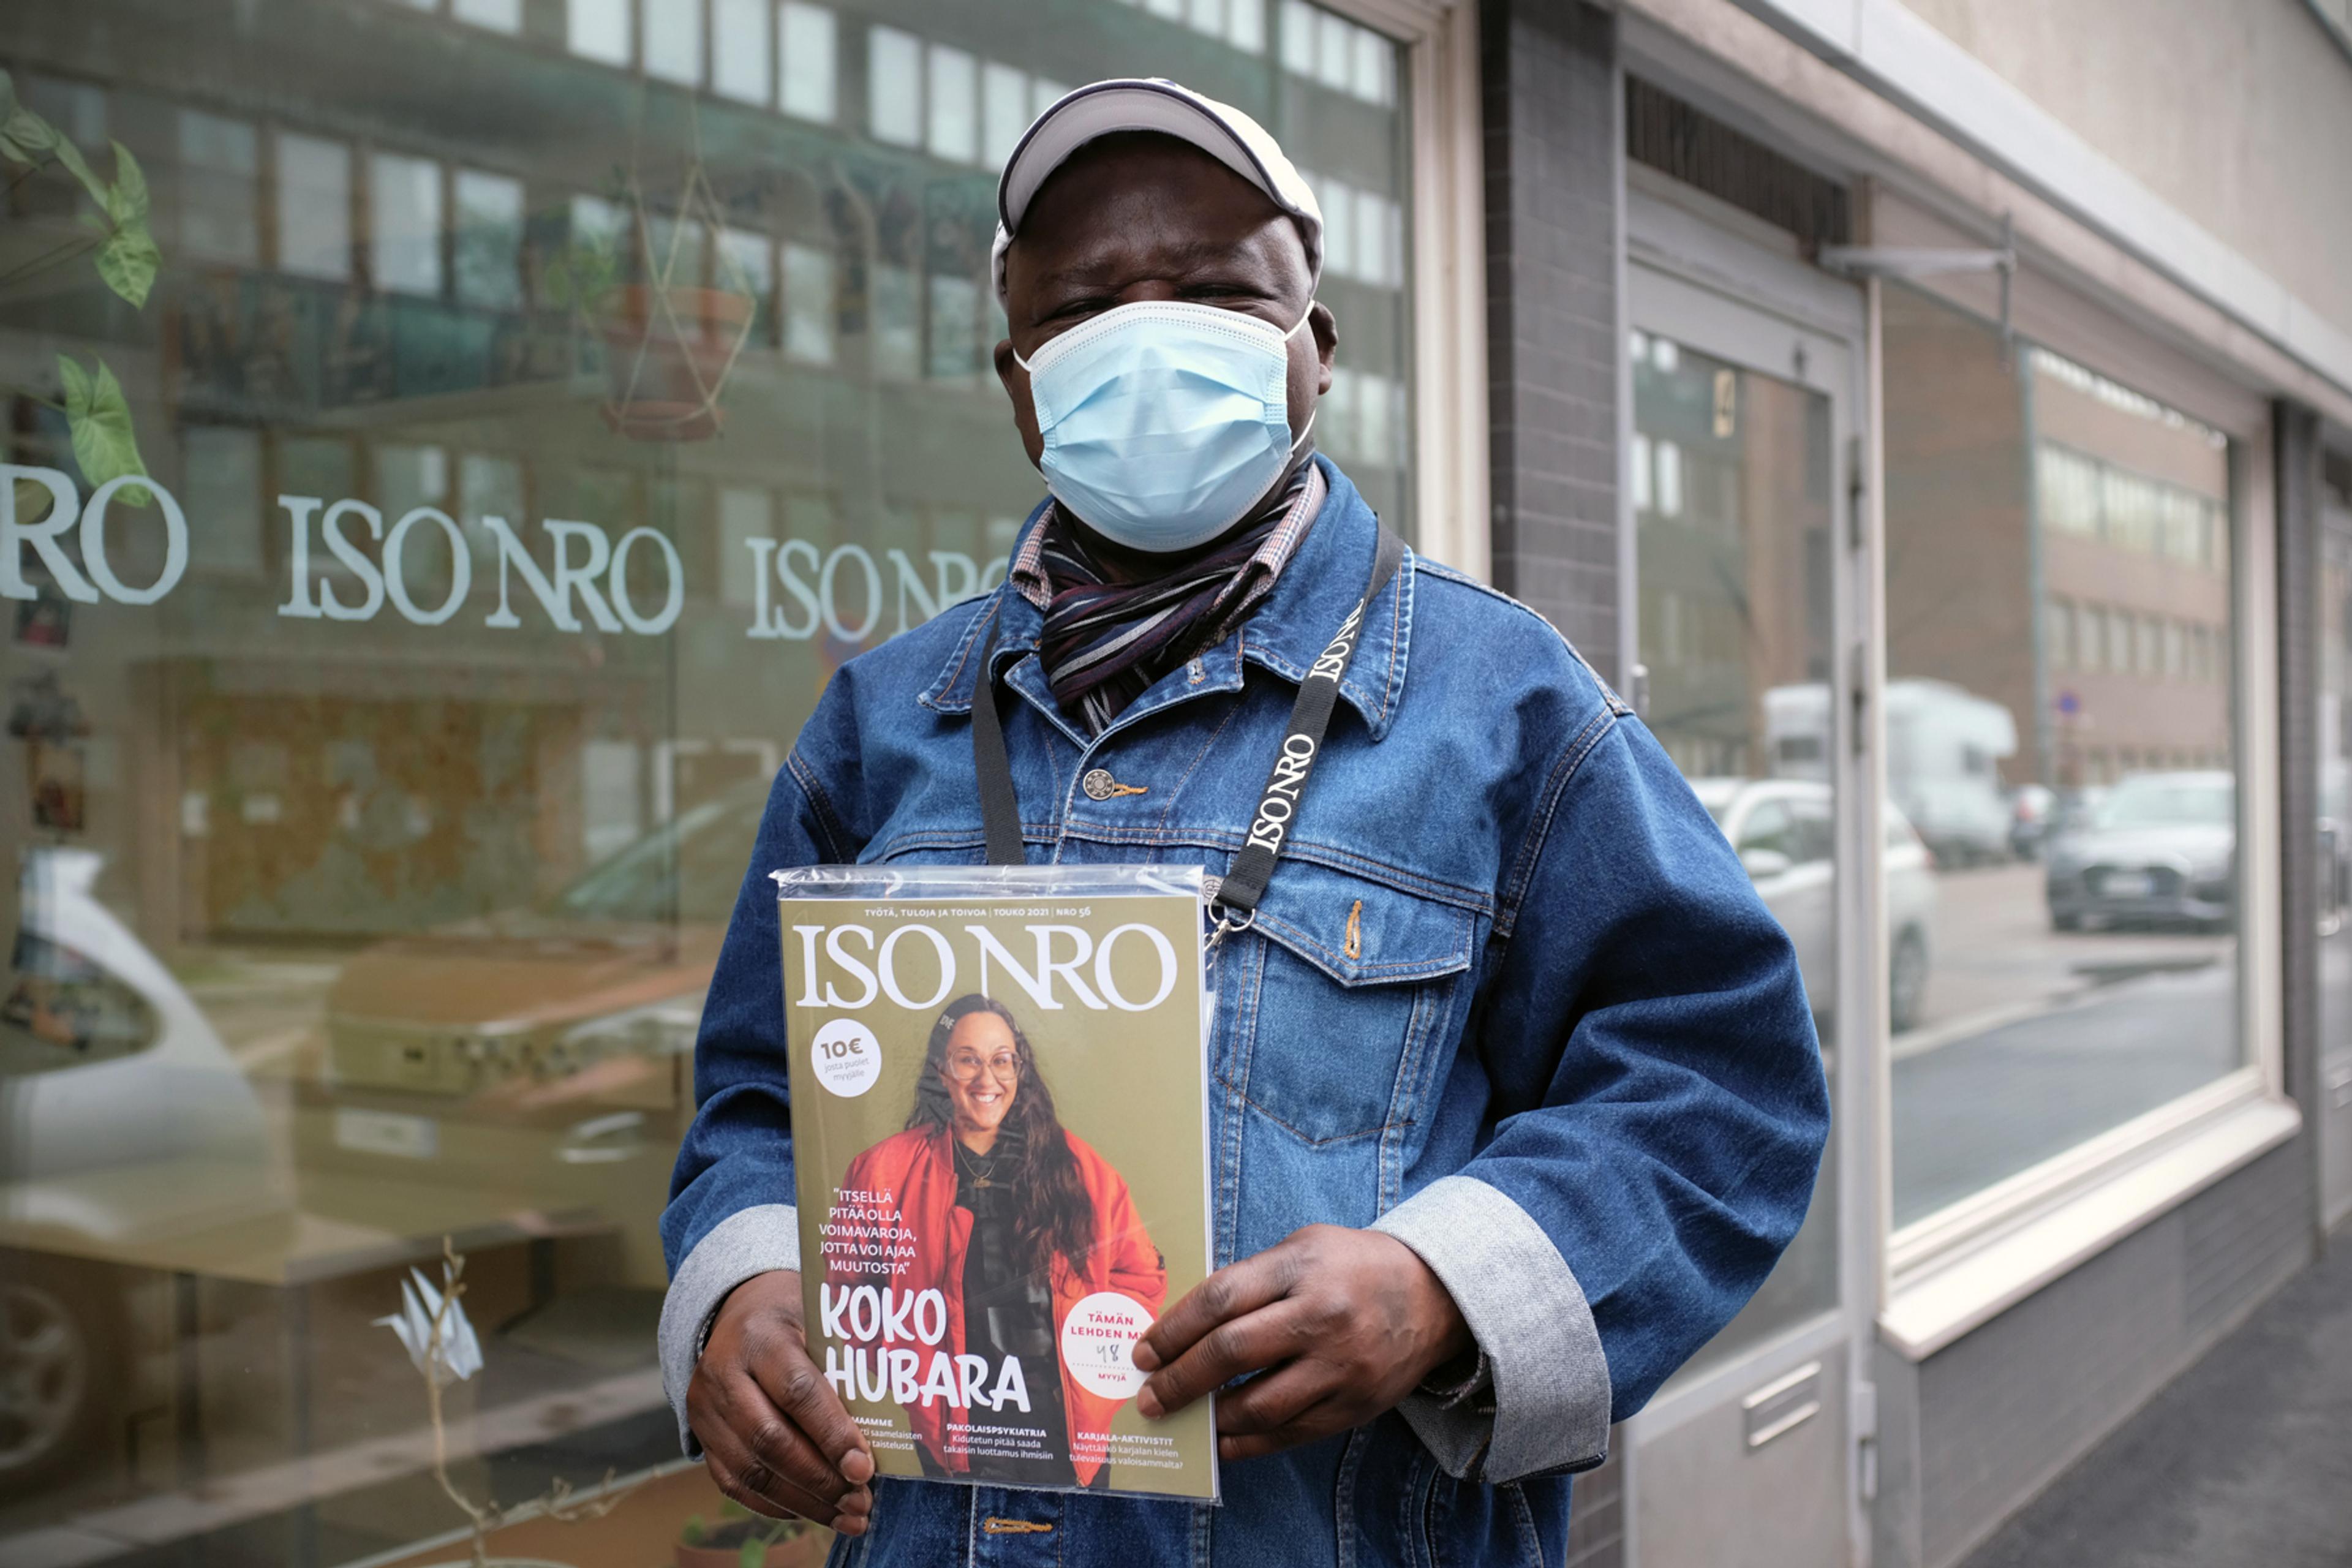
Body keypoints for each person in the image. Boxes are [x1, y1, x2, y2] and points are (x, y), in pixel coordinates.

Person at [660, 78, 1830, 1564]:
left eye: (1213, 288)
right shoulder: (880, 725)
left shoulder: (1506, 706)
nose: (1147, 334)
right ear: (1019, 381)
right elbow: (759, 1102)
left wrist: (1439, 1286)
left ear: (1313, 353)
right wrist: (744, 1284)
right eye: (1087, 306)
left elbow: (1719, 1087)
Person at [825, 995, 1164, 1489]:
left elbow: (1140, 1281)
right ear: (942, 1071)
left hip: (1066, 1438)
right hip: (955, 1439)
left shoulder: (1080, 1170)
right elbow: (849, 1296)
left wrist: (1097, 1376)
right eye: (969, 1060)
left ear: (1019, 1069)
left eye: (1002, 1060)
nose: (988, 1079)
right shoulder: (884, 1172)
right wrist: (913, 1368)